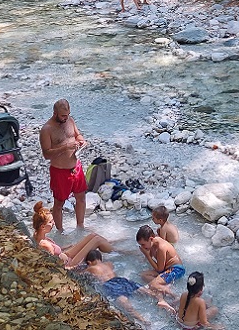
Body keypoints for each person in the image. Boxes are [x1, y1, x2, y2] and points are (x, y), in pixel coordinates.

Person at [39, 99, 88, 231]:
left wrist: (81, 141)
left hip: (75, 166)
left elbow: (78, 135)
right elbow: (46, 154)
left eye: (67, 114)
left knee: (81, 197)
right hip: (60, 171)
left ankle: (80, 226)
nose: (66, 118)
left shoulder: (70, 120)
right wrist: (65, 147)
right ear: (55, 113)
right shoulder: (47, 129)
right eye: (63, 116)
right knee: (59, 202)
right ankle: (60, 231)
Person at [82, 249, 170, 322]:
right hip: (122, 280)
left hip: (110, 284)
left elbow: (80, 273)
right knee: (145, 291)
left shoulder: (90, 268)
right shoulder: (109, 264)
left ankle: (144, 321)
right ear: (100, 259)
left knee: (127, 306)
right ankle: (161, 299)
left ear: (89, 262)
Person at [31, 201, 112, 268]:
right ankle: (115, 252)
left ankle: (112, 247)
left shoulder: (37, 235)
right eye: (50, 222)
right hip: (70, 264)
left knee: (93, 235)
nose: (53, 223)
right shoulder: (45, 245)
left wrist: (65, 247)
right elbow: (54, 266)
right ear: (42, 226)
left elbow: (54, 253)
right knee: (96, 240)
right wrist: (70, 268)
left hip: (65, 255)